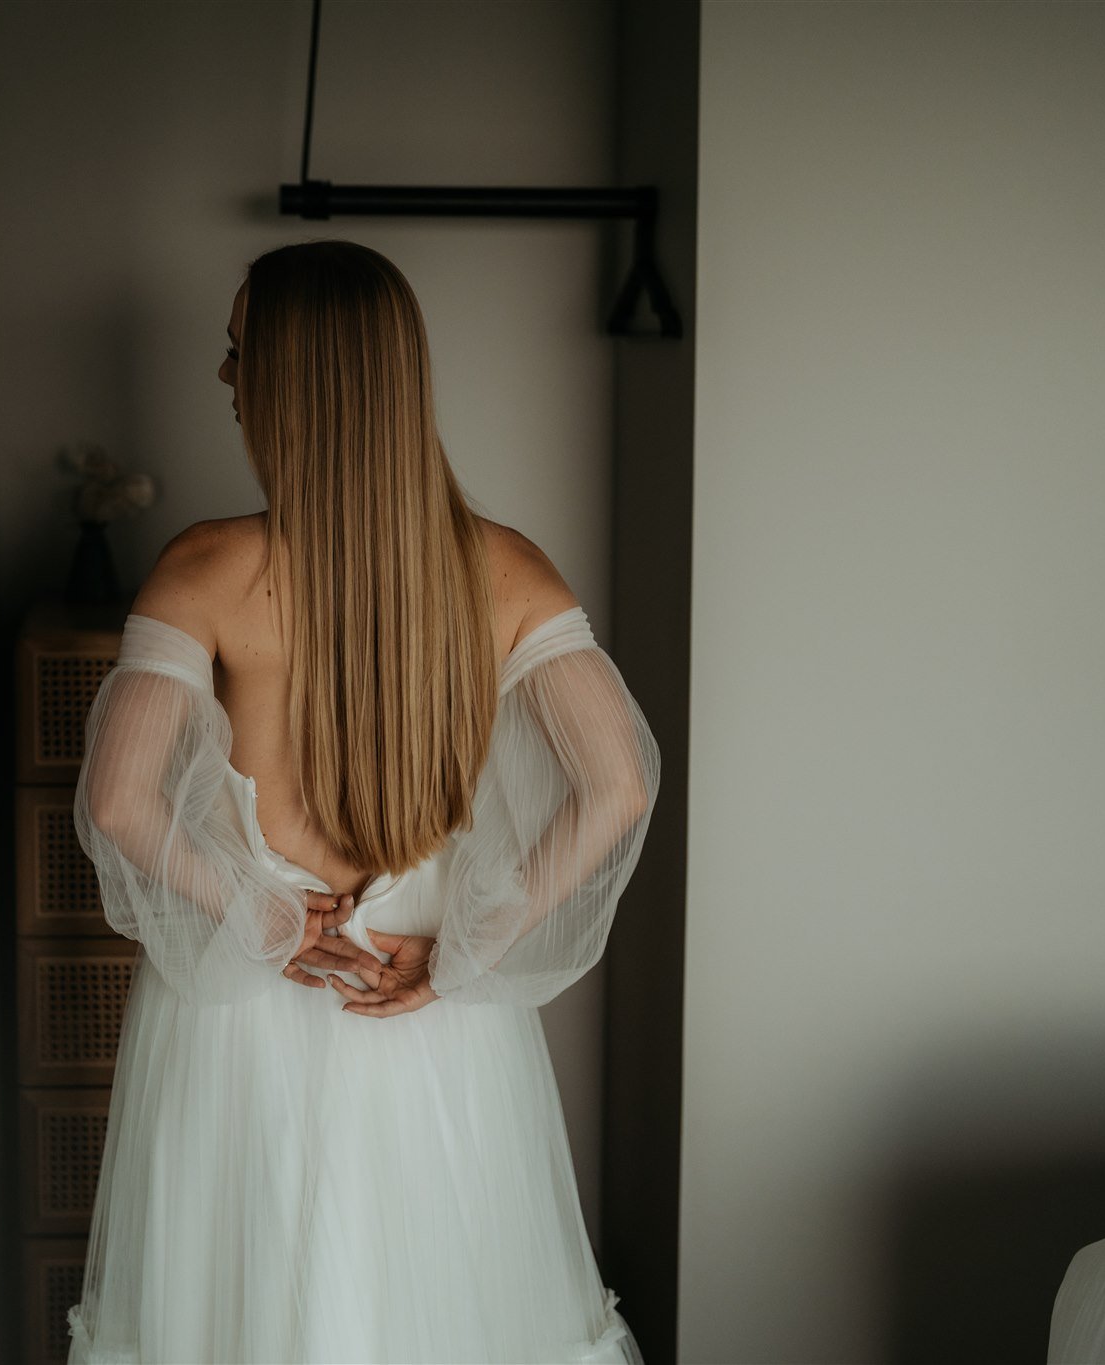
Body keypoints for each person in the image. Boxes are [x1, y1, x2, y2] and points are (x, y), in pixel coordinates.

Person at [64, 239, 661, 1364]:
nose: (224, 376)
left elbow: (116, 801)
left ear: (292, 384)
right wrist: (469, 946)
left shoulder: (202, 570)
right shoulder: (507, 569)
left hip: (241, 1025)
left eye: (239, 350)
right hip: (428, 1017)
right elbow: (616, 783)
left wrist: (259, 917)